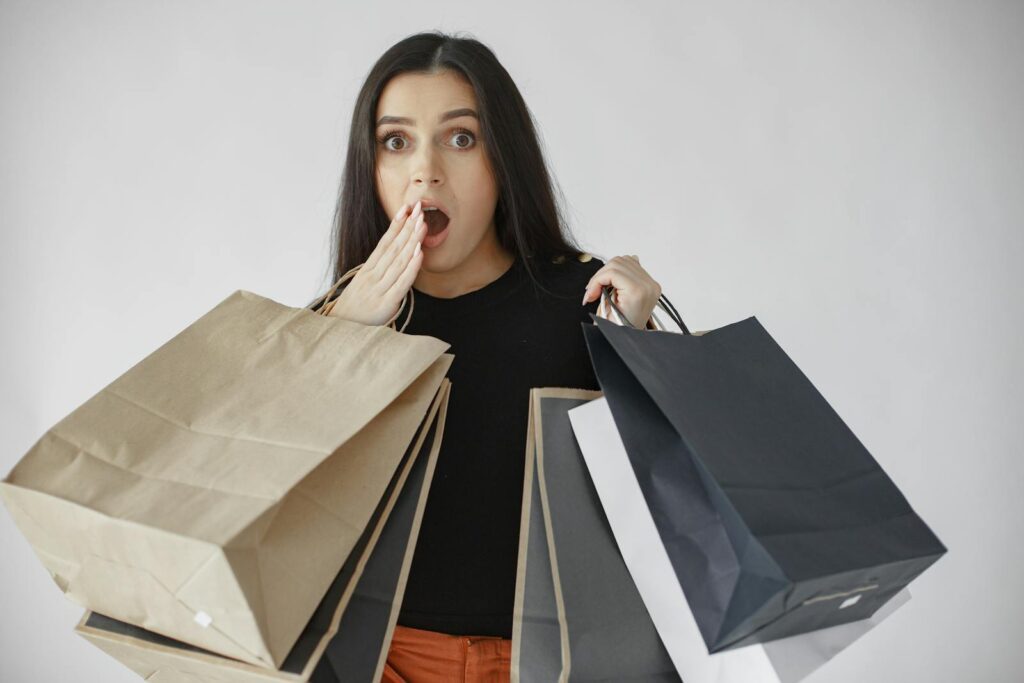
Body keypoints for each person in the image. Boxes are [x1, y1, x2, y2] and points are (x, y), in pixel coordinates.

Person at [309, 30, 663, 682]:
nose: (426, 169)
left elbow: (666, 511)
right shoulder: (335, 319)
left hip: (554, 666)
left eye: (461, 137)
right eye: (396, 141)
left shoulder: (584, 301)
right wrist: (342, 337)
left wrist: (638, 352)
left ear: (505, 158)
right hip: (372, 661)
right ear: (372, 169)